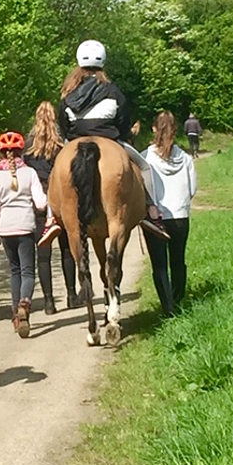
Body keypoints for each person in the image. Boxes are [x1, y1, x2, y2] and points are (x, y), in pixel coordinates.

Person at [57, 39, 170, 241]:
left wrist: (71, 137)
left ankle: (51, 218)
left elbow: (63, 124)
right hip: (110, 139)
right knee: (145, 167)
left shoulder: (68, 94)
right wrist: (122, 135)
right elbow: (123, 121)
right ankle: (152, 211)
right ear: (103, 63)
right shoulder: (113, 90)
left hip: (74, 140)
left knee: (55, 172)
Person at [0, 131, 47, 338]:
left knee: (15, 271)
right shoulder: (30, 173)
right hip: (26, 227)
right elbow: (40, 204)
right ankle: (25, 303)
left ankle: (15, 314)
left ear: (0, 153)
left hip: (5, 230)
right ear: (22, 151)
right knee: (28, 271)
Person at [25, 101, 79, 313]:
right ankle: (72, 295)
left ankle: (48, 302)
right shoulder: (62, 146)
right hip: (61, 200)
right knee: (67, 248)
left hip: (39, 202)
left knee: (43, 253)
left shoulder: (28, 147)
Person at [142, 111, 197, 316]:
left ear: (154, 129)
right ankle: (178, 300)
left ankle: (167, 309)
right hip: (181, 216)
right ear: (175, 130)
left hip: (156, 218)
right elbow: (192, 189)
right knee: (178, 260)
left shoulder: (144, 158)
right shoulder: (185, 157)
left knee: (160, 265)